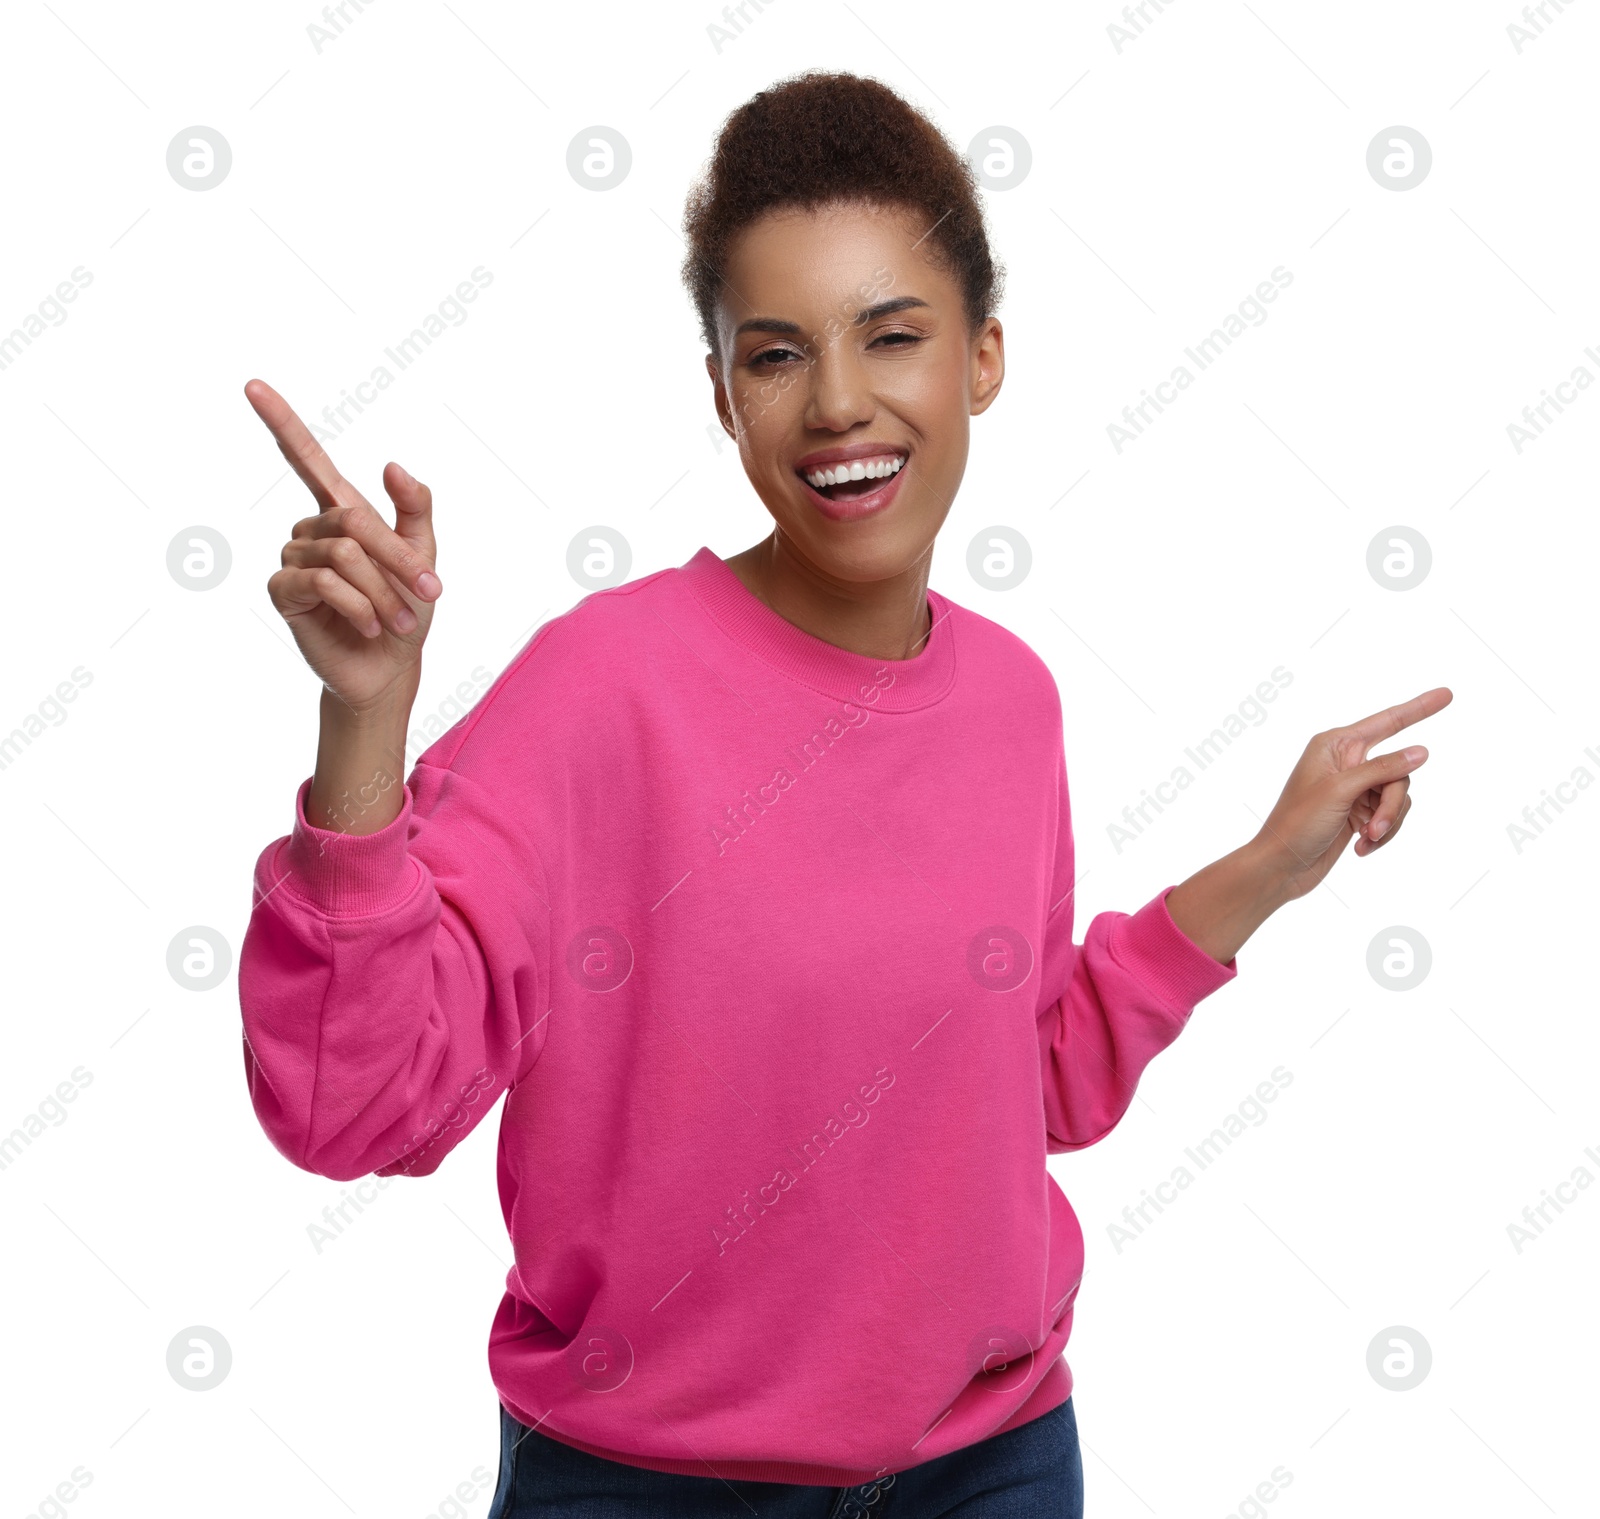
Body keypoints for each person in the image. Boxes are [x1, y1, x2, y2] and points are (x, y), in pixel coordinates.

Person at [237, 69, 1450, 1518]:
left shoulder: (1011, 700)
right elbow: (351, 1108)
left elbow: (1028, 1082)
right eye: (774, 354)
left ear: (984, 357)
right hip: (646, 1491)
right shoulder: (597, 693)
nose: (838, 404)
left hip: (994, 1471)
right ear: (721, 394)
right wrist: (362, 722)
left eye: (894, 336)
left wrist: (1266, 864)